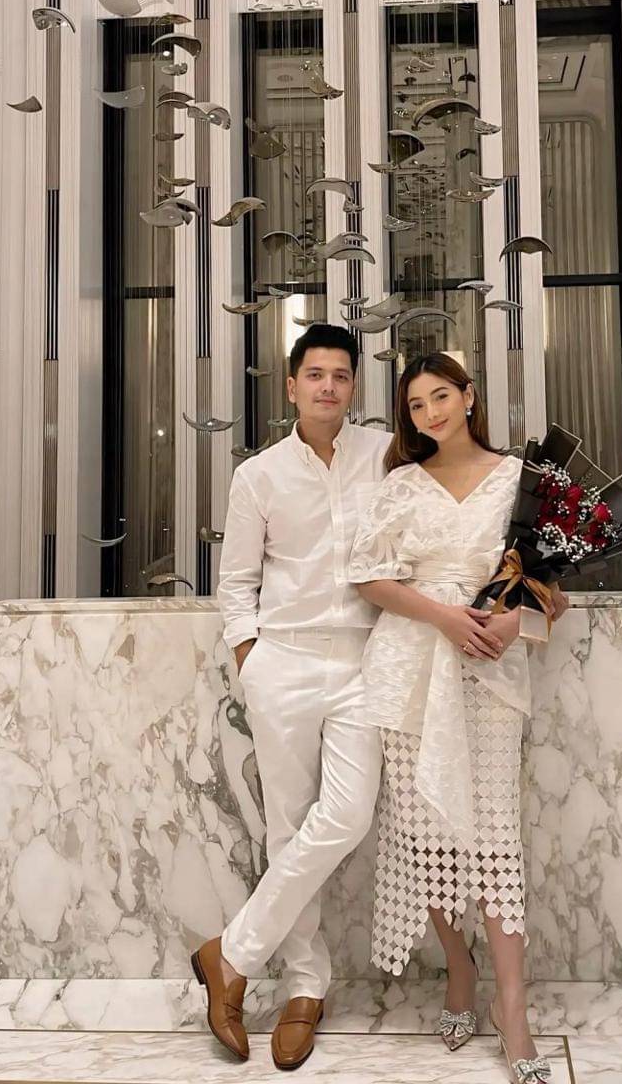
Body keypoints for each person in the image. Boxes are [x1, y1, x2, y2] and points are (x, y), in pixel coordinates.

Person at [347, 352, 568, 1084]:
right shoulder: (401, 484)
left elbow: (553, 587)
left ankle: (513, 1008)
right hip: (409, 670)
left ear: (469, 397)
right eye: (416, 405)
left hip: (490, 672)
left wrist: (512, 623)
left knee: (495, 842)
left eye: (441, 396)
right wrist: (442, 616)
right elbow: (369, 576)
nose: (431, 413)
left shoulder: (519, 481)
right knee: (426, 839)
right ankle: (460, 970)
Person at [193, 324, 391, 1071]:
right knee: (288, 826)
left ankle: (231, 955)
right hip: (284, 662)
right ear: (291, 386)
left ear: (353, 386)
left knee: (346, 815)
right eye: (315, 374)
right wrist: (253, 660)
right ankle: (306, 987)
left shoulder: (385, 456)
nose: (328, 386)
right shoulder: (260, 475)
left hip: (364, 662)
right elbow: (236, 583)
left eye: (340, 375)